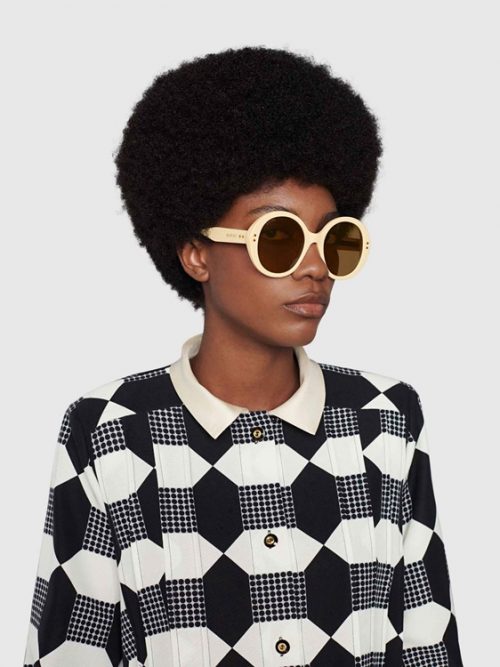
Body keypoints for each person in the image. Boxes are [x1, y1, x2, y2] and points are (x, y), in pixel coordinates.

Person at [22, 46, 464, 666]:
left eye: (334, 238)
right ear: (197, 254)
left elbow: (426, 642)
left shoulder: (385, 418)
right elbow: (73, 649)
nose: (315, 266)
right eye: (277, 237)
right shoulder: (111, 430)